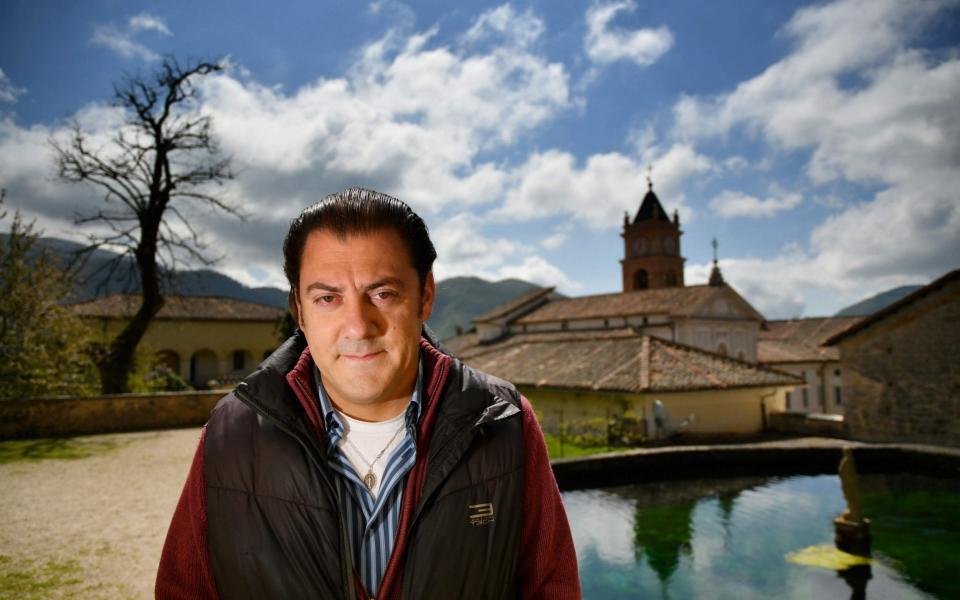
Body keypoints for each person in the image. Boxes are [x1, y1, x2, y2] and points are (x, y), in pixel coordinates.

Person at [155, 188, 581, 599]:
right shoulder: (231, 432)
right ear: (299, 312)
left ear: (425, 296)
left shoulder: (504, 420)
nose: (358, 326)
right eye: (327, 298)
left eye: (383, 293)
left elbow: (551, 589)